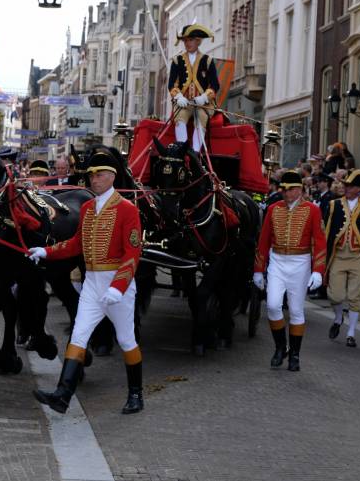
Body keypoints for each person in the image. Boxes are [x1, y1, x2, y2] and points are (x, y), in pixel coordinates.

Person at [27, 152, 144, 414]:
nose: (94, 179)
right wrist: (47, 252)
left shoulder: (128, 209)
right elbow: (77, 243)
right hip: (91, 283)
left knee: (126, 340)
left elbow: (132, 253)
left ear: (112, 177)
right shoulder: (88, 208)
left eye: (100, 175)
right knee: (79, 335)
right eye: (91, 175)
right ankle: (63, 394)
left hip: (117, 284)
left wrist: (119, 287)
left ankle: (136, 393)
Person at [253, 171, 326, 371]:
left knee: (295, 310)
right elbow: (264, 240)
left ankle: (295, 355)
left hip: (300, 263)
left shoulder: (312, 210)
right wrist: (259, 269)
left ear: (300, 189)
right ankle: (280, 347)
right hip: (277, 261)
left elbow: (320, 242)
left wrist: (318, 270)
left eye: (290, 189)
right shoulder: (273, 209)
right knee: (273, 305)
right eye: (284, 189)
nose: (286, 193)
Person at [324, 169, 360, 348]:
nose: (346, 189)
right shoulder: (334, 205)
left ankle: (351, 333)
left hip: (358, 257)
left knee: (355, 297)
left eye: (350, 186)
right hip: (338, 255)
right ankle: (337, 318)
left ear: (358, 188)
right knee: (335, 295)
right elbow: (326, 233)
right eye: (346, 185)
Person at [168, 23, 220, 152]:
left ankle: (195, 152)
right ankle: (182, 149)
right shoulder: (176, 60)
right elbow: (172, 85)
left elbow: (214, 85)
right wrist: (178, 96)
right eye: (185, 40)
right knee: (179, 117)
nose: (187, 43)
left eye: (190, 40)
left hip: (203, 104)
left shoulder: (208, 61)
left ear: (198, 41)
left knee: (201, 117)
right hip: (183, 103)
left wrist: (204, 97)